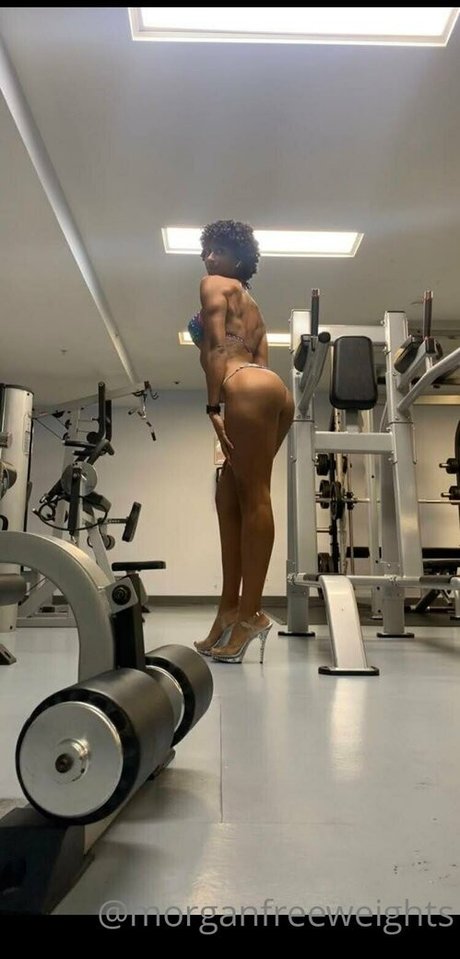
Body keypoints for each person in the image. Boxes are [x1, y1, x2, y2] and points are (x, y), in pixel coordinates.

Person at [188, 220, 294, 664]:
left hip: (241, 387)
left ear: (240, 258)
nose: (210, 258)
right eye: (207, 250)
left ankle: (251, 614)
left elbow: (216, 347)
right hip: (269, 389)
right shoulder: (255, 308)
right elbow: (263, 366)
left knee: (254, 498)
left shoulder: (214, 285)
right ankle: (228, 610)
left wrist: (215, 406)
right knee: (228, 496)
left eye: (220, 250)